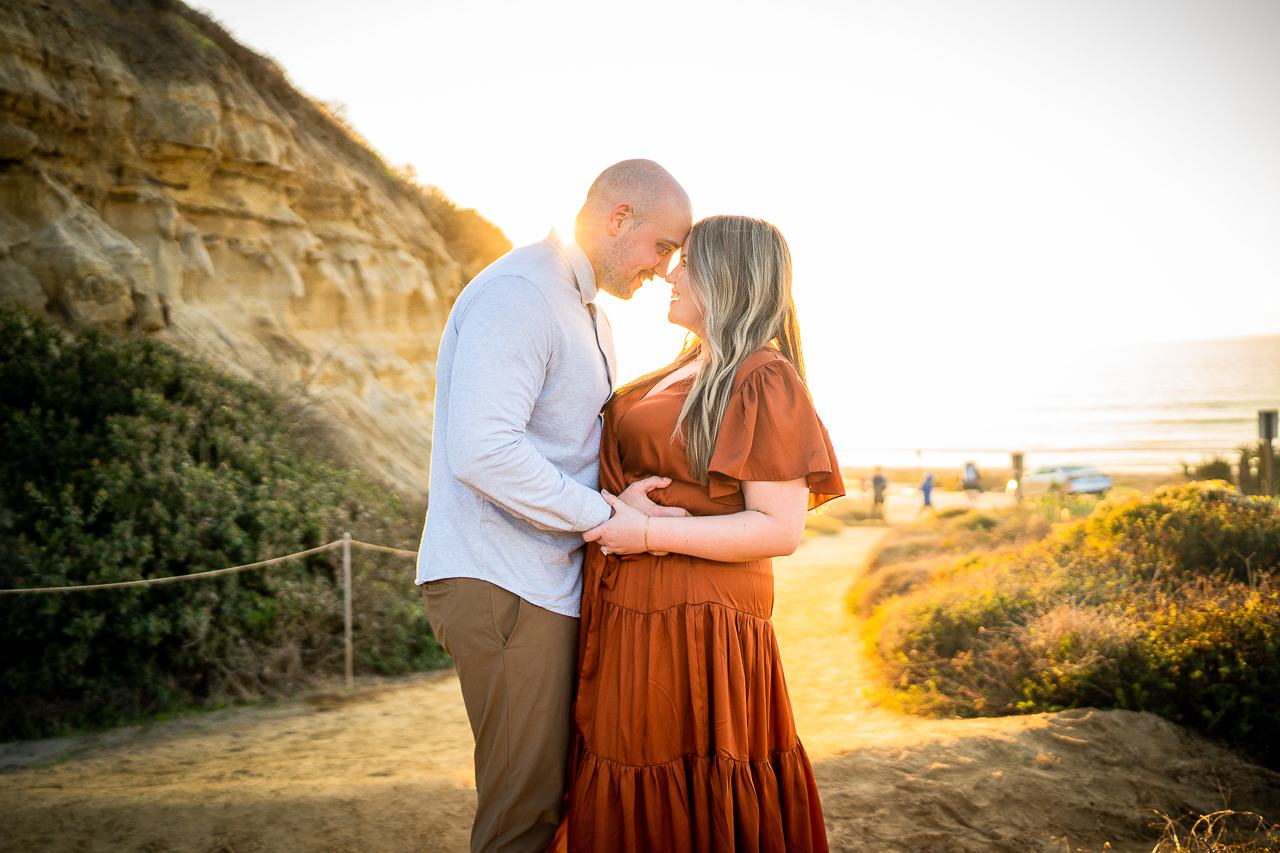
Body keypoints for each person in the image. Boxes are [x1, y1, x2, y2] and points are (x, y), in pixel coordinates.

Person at [416, 160, 693, 853]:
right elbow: (482, 450)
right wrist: (603, 518)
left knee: (556, 801)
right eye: (663, 245)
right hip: (503, 580)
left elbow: (559, 447)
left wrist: (614, 499)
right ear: (619, 217)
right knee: (525, 812)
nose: (666, 269)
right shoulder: (522, 293)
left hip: (538, 580)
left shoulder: (585, 311)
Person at [564, 215, 844, 852]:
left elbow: (779, 527)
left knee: (686, 789)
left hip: (698, 625)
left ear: (727, 277)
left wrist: (647, 538)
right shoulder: (690, 364)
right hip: (632, 609)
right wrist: (616, 510)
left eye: (686, 262)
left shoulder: (762, 376)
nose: (670, 270)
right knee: (626, 771)